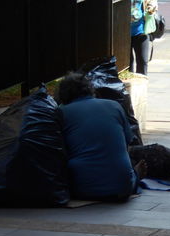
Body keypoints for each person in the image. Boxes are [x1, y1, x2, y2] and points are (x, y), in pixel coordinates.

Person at [58, 72, 145, 201]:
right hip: (123, 188)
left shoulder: (62, 113)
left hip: (80, 188)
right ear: (90, 89)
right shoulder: (114, 106)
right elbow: (127, 143)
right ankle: (135, 175)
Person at [130, 0, 158, 75]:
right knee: (127, 65)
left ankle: (141, 85)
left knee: (143, 62)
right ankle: (128, 86)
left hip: (141, 31)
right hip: (122, 33)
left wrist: (151, 7)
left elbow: (152, 2)